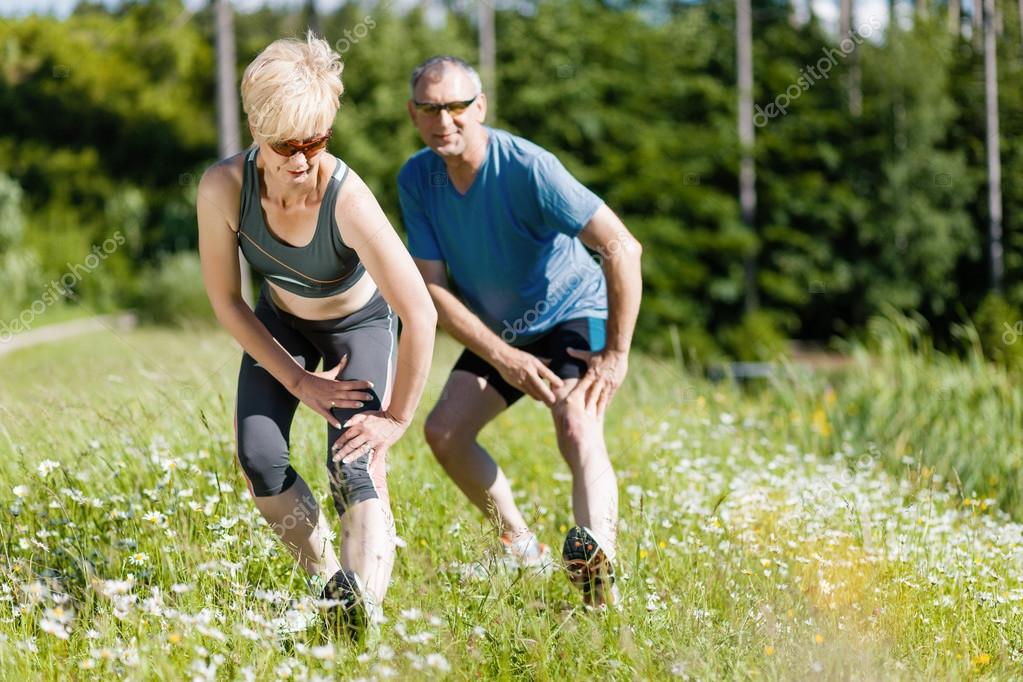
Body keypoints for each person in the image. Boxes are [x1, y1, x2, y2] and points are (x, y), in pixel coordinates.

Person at [196, 32, 436, 639]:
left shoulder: (347, 197)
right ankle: (333, 586)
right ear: (256, 128)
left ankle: (366, 616)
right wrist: (300, 382)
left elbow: (421, 312)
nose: (303, 160)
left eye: (317, 141)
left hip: (359, 324)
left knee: (352, 461)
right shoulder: (223, 189)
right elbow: (226, 300)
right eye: (286, 145)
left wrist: (397, 419)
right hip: (283, 324)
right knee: (259, 457)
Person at [397, 56, 642, 607]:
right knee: (444, 433)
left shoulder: (530, 168)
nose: (446, 120)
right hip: (501, 331)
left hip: (571, 312)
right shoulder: (416, 178)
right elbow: (431, 289)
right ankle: (519, 546)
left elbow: (623, 247)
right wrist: (503, 355)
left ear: (479, 106)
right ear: (415, 113)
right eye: (432, 108)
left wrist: (617, 353)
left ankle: (600, 578)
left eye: (458, 106)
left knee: (577, 424)